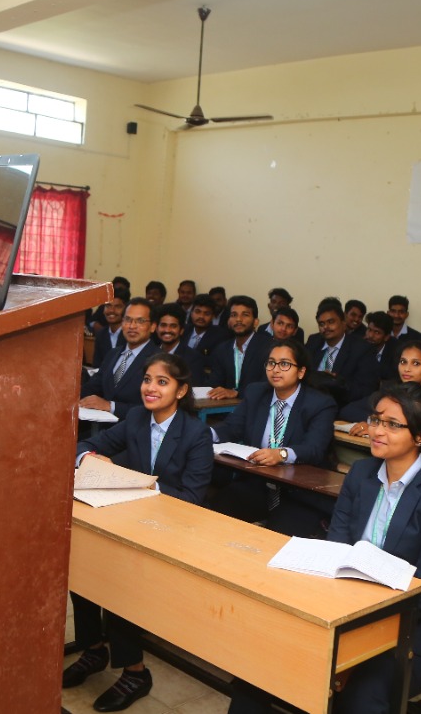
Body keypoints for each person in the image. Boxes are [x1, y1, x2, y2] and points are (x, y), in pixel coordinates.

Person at [227, 384, 421, 714]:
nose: (377, 431)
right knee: (260, 665)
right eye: (376, 420)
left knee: (360, 698)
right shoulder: (361, 473)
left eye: (392, 425)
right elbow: (337, 548)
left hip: (415, 628)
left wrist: (359, 627)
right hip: (344, 610)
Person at [64, 354, 214, 712]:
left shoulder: (196, 433)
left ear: (181, 391)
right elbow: (85, 445)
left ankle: (135, 672)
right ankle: (94, 649)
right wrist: (88, 458)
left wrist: (142, 484)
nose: (151, 388)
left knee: (119, 582)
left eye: (162, 382)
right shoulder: (136, 418)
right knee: (83, 569)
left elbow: (193, 498)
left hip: (173, 527)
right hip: (132, 518)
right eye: (147, 379)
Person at [208, 341, 339, 536]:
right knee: (217, 508)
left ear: (301, 372)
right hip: (258, 483)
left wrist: (282, 454)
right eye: (271, 363)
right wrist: (204, 435)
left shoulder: (320, 404)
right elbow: (232, 428)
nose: (276, 370)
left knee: (278, 532)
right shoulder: (256, 393)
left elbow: (314, 448)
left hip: (297, 490)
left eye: (284, 364)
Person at [342, 340, 421, 430]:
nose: (407, 369)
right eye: (403, 362)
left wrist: (385, 423)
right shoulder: (390, 388)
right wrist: (374, 422)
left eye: (416, 363)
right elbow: (348, 410)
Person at [80, 298, 159, 419]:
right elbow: (93, 386)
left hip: (134, 428)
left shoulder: (160, 361)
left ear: (153, 327)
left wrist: (111, 406)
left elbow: (154, 408)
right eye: (127, 319)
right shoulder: (113, 353)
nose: (132, 326)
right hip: (100, 425)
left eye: (140, 321)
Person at [303, 297, 379, 408]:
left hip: (340, 406)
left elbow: (366, 390)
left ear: (343, 323)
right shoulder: (313, 341)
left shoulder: (362, 349)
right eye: (321, 324)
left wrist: (337, 382)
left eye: (331, 322)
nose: (326, 327)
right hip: (308, 401)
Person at [206, 296, 270, 399]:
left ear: (256, 322)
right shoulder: (222, 349)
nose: (238, 319)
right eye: (234, 315)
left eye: (245, 315)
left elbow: (268, 384)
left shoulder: (269, 348)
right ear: (228, 321)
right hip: (224, 406)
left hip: (258, 405)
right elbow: (214, 384)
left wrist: (237, 393)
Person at [153, 303, 205, 382]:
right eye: (163, 325)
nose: (167, 330)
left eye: (173, 326)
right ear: (156, 329)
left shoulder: (193, 359)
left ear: (181, 330)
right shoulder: (149, 353)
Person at [181, 293, 229, 367]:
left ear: (212, 316)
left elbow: (215, 362)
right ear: (191, 313)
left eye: (207, 313)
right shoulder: (183, 330)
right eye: (197, 312)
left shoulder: (221, 336)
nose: (201, 316)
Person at [90, 290, 129, 368]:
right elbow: (96, 365)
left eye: (117, 306)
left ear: (126, 310)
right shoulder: (101, 334)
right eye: (108, 306)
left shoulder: (130, 333)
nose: (111, 310)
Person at [363, 310, 398, 380]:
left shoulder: (396, 353)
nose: (370, 335)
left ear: (386, 337)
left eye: (377, 332)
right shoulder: (358, 346)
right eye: (369, 330)